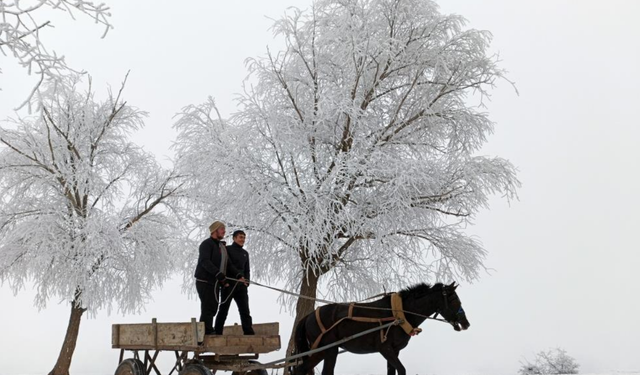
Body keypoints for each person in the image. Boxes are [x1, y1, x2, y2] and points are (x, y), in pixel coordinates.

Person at [194, 221, 247, 335]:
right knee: (208, 307)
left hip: (215, 282)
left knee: (213, 306)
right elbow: (205, 261)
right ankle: (206, 332)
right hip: (204, 281)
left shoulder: (221, 247)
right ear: (215, 230)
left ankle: (208, 330)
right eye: (222, 229)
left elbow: (228, 264)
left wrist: (238, 275)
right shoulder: (206, 244)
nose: (224, 231)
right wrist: (217, 273)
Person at [214, 230, 255, 335]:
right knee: (223, 310)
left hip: (241, 286)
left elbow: (247, 270)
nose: (243, 240)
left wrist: (247, 281)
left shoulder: (245, 253)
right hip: (229, 284)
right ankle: (217, 332)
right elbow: (228, 265)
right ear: (234, 238)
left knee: (245, 310)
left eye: (244, 238)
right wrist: (237, 276)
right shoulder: (227, 250)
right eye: (240, 237)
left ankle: (248, 332)